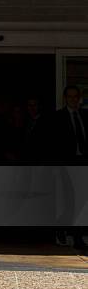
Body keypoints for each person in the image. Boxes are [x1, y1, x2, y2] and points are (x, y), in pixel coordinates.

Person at [51, 85, 88, 250]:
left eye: (75, 96)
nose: (73, 99)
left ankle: (72, 233)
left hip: (83, 162)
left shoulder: (85, 115)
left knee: (80, 201)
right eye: (70, 96)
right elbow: (55, 144)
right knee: (71, 201)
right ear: (65, 98)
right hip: (67, 165)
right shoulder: (59, 117)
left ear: (79, 98)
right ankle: (71, 234)